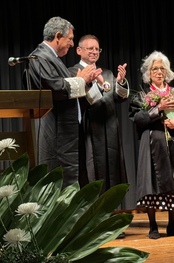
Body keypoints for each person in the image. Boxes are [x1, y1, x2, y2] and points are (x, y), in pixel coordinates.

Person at [129, 51, 174, 239]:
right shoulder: (142, 95)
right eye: (155, 69)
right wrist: (158, 110)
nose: (159, 72)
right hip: (152, 143)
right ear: (148, 73)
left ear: (167, 72)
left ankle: (171, 225)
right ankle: (153, 226)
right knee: (151, 183)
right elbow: (137, 118)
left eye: (162, 68)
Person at [27, 16, 103, 188]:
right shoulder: (39, 57)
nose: (71, 43)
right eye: (70, 39)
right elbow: (55, 87)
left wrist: (85, 81)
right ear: (58, 36)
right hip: (55, 128)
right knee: (58, 179)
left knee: (71, 179)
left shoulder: (53, 58)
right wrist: (81, 79)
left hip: (66, 129)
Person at [68, 34, 129, 192]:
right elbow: (82, 100)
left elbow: (118, 98)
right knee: (91, 172)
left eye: (97, 49)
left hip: (109, 127)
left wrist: (121, 82)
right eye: (90, 48)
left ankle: (109, 211)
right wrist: (93, 83)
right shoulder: (72, 72)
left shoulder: (107, 73)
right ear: (79, 50)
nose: (94, 52)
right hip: (88, 129)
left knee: (111, 173)